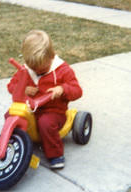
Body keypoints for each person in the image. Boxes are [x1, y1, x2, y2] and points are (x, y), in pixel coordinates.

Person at [7, 30, 82, 169]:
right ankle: (13, 143)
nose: (37, 72)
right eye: (33, 68)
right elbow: (11, 85)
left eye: (42, 68)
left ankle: (55, 154)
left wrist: (62, 89)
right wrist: (22, 88)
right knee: (10, 114)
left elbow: (77, 91)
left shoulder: (63, 70)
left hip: (53, 111)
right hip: (30, 108)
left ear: (51, 57)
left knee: (46, 123)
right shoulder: (26, 69)